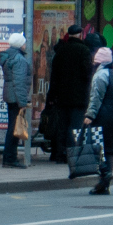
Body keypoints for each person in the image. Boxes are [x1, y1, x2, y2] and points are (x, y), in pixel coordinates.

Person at [47, 25, 94, 163]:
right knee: (75, 128)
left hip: (62, 97)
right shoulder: (84, 51)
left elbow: (54, 76)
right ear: (80, 35)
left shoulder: (61, 51)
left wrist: (52, 95)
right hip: (79, 98)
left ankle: (60, 154)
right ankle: (72, 155)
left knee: (62, 127)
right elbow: (87, 74)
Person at [84, 46, 113, 194]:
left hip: (102, 116)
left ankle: (104, 175)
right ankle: (105, 184)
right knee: (110, 149)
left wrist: (90, 115)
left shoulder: (100, 75)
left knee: (97, 147)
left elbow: (96, 98)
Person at [0, 33, 31, 169]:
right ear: (20, 44)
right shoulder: (19, 59)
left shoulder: (8, 56)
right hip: (16, 97)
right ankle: (10, 159)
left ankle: (9, 157)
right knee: (14, 128)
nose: (25, 45)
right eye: (24, 43)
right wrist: (23, 103)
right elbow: (20, 82)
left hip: (10, 96)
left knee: (12, 127)